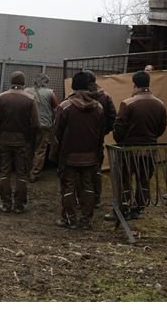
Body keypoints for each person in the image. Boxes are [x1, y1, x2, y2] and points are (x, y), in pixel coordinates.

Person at [107, 70, 167, 220]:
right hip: (149, 150)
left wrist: (121, 141)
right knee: (144, 179)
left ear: (134, 84)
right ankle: (139, 208)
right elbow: (161, 127)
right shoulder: (160, 104)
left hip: (129, 150)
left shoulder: (128, 103)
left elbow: (119, 128)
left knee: (124, 179)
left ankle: (123, 207)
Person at [50, 71, 105, 230]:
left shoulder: (65, 106)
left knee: (68, 187)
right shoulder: (99, 107)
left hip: (68, 156)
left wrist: (54, 155)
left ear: (74, 86)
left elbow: (56, 133)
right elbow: (101, 134)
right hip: (90, 156)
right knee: (88, 186)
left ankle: (69, 219)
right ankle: (86, 220)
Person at [0, 71, 39, 214]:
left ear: (11, 82)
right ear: (23, 83)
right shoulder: (30, 99)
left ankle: (5, 204)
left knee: (5, 172)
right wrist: (29, 139)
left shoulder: (1, 98)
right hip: (22, 141)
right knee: (21, 173)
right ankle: (19, 205)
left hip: (4, 139)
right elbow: (36, 124)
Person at [83, 70, 117, 208]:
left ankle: (82, 197)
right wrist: (104, 131)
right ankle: (96, 198)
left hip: (80, 138)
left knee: (79, 169)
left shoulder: (78, 96)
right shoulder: (105, 97)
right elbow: (113, 117)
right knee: (96, 168)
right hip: (98, 138)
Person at [24, 73, 59, 182]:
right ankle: (34, 174)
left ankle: (26, 171)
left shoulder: (26, 92)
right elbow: (56, 109)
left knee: (28, 148)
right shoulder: (50, 93)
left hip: (29, 124)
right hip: (44, 125)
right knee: (40, 150)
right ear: (46, 82)